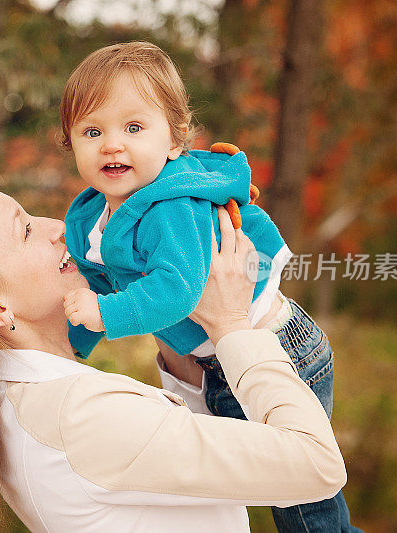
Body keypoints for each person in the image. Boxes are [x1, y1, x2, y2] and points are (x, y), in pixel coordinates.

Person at [0, 183, 347, 533]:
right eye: (25, 229)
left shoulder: (28, 402)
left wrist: (182, 335)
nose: (57, 225)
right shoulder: (79, 417)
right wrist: (234, 325)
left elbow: (176, 472)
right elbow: (316, 465)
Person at [59, 41, 358, 531]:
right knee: (220, 499)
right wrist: (74, 348)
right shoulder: (88, 216)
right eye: (92, 131)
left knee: (305, 510)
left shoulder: (172, 206)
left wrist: (105, 316)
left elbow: (178, 289)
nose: (112, 144)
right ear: (72, 145)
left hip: (279, 351)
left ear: (175, 142)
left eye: (134, 128)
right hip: (217, 362)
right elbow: (97, 283)